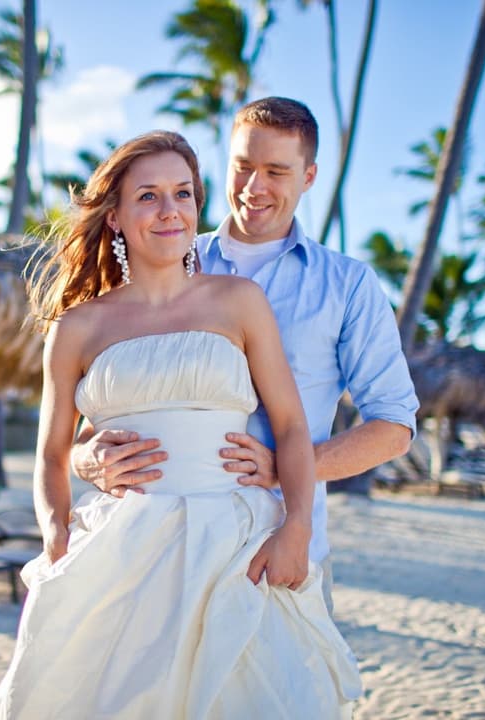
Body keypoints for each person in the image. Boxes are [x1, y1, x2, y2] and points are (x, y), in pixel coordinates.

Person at [0, 130, 361, 719]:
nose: (170, 211)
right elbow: (52, 455)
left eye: (183, 194)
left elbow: (289, 426)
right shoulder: (78, 328)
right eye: (149, 196)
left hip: (236, 543)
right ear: (115, 216)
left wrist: (297, 528)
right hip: (120, 547)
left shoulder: (238, 302)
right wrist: (57, 539)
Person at [72, 97, 419, 614]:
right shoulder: (162, 254)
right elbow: (99, 408)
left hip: (277, 547)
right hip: (152, 554)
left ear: (309, 176)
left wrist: (286, 469)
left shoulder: (348, 286)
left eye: (277, 171)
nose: (255, 188)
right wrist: (86, 458)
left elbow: (394, 426)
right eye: (243, 167)